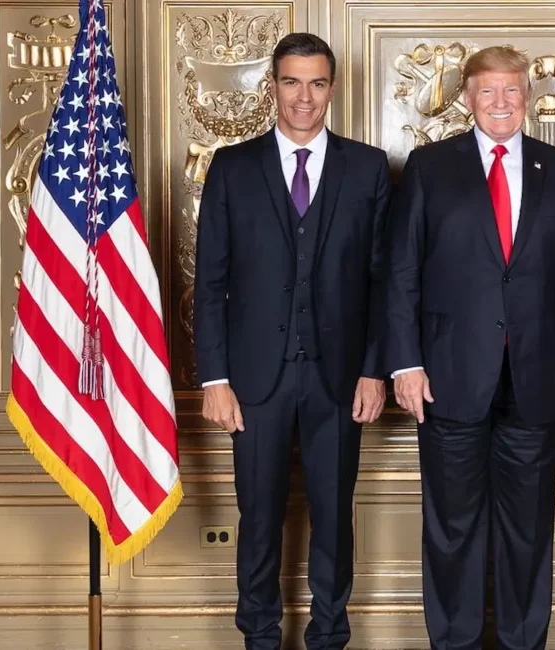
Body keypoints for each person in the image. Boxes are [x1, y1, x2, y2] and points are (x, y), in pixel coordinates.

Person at [384, 45, 555, 650]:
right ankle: (452, 640)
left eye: (511, 90)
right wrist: (405, 361)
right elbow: (402, 272)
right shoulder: (429, 168)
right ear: (467, 97)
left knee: (528, 530)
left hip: (539, 378)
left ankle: (523, 641)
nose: (500, 103)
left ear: (527, 96)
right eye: (487, 91)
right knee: (451, 529)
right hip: (449, 376)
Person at [192, 33, 392, 650]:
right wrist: (214, 379)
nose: (304, 97)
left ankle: (329, 636)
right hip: (254, 380)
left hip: (340, 377)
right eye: (290, 82)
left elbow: (385, 280)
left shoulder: (368, 168)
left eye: (316, 83)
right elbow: (210, 281)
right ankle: (258, 636)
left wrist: (374, 370)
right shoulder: (231, 166)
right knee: (258, 520)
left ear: (332, 88)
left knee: (334, 517)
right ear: (272, 86)